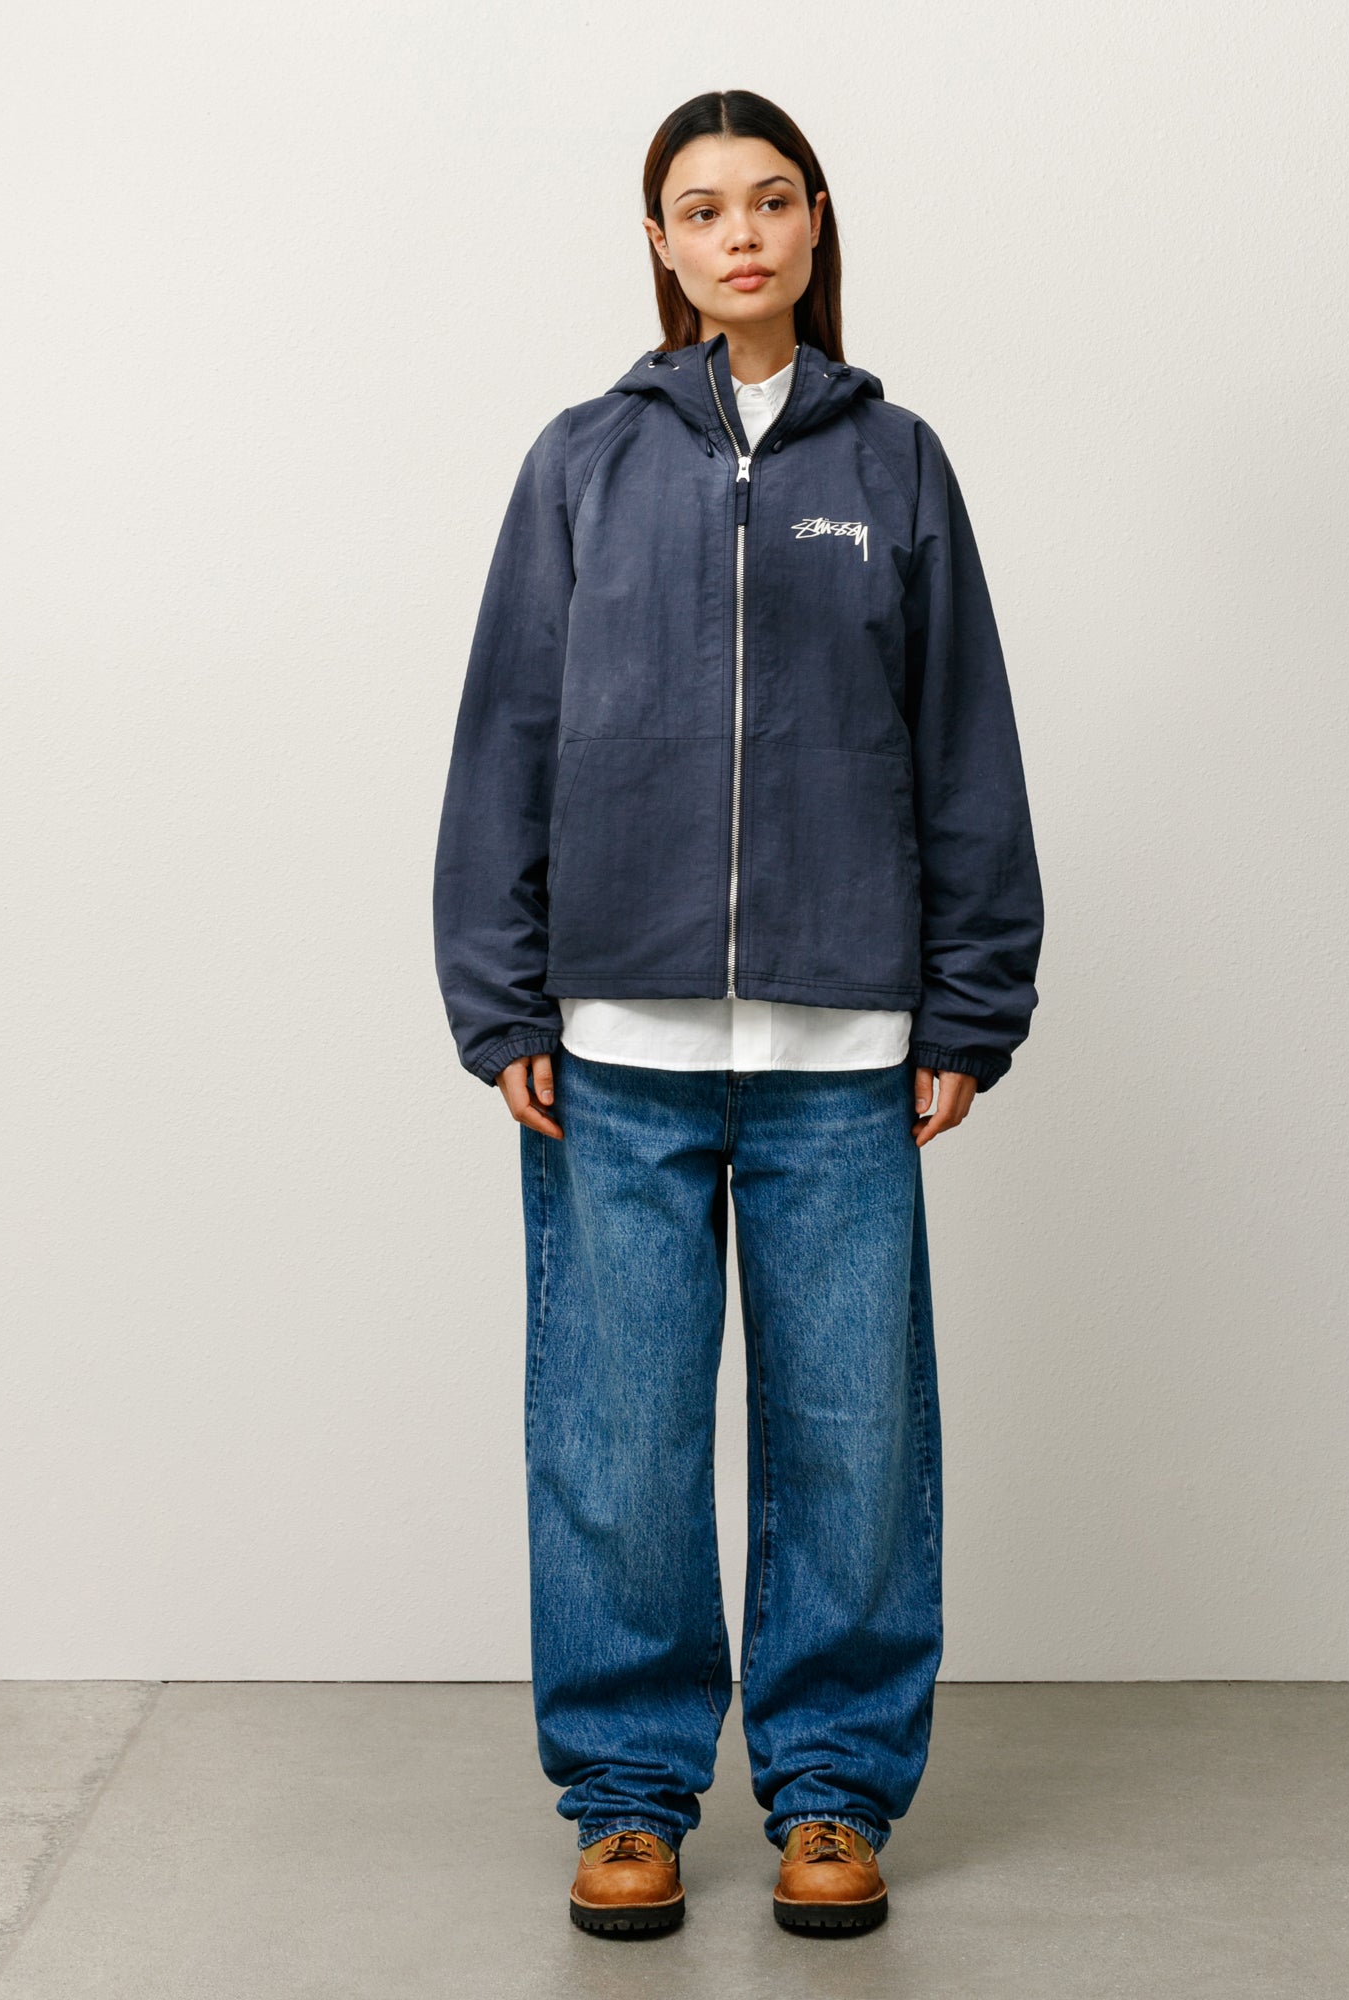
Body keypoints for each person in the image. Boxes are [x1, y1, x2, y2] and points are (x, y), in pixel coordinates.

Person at [433, 87, 1044, 1940]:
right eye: (702, 210)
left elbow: (963, 744)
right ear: (661, 244)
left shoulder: (900, 465)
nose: (740, 236)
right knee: (615, 1443)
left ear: (814, 220)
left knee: (852, 1441)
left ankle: (833, 1792)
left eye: (769, 202)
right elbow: (507, 730)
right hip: (613, 1051)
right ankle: (627, 1797)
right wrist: (498, 993)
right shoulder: (580, 462)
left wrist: (970, 1003)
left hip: (842, 1053)